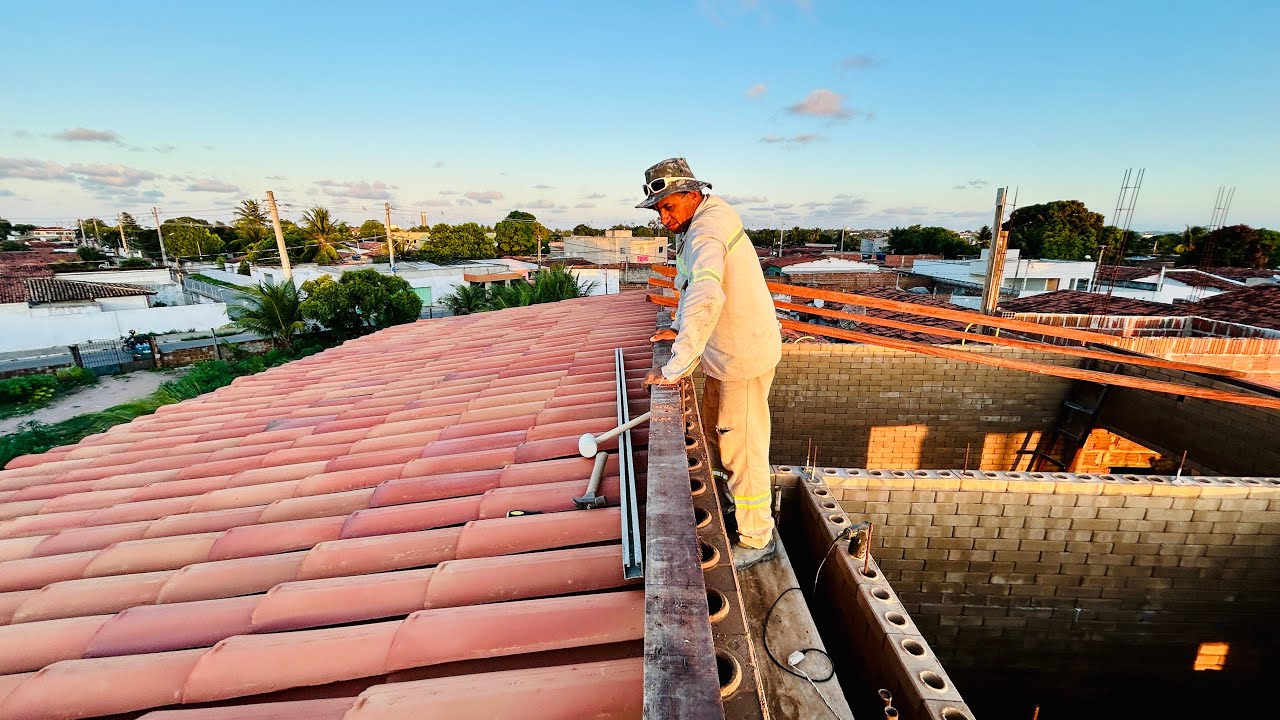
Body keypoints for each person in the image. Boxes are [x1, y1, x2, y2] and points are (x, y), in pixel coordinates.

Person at [638, 157, 783, 569]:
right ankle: (733, 505)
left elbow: (706, 295)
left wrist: (673, 368)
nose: (664, 218)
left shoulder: (707, 231)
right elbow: (691, 292)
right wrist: (680, 328)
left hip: (742, 358)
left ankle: (757, 538)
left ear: (693, 194)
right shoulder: (698, 223)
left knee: (744, 447)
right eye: (659, 210)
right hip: (725, 353)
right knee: (721, 433)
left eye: (670, 207)